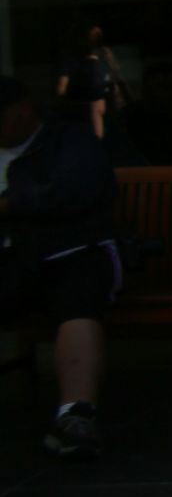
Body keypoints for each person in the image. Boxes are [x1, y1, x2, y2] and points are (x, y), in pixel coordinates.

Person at [0, 74, 118, 459]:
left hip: (67, 253)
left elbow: (76, 192)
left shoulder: (70, 139)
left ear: (22, 111)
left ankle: (75, 415)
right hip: (10, 262)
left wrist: (10, 204)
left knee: (77, 289)